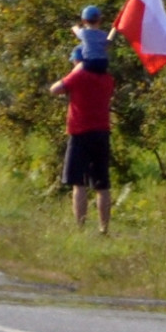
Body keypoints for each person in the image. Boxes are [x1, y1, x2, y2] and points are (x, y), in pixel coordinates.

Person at [50, 45, 115, 233]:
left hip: (80, 133)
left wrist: (76, 70)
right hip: (102, 133)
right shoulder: (107, 79)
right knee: (102, 185)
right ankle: (104, 228)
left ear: (80, 61)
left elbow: (55, 89)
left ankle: (80, 227)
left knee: (79, 184)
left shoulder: (78, 77)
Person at [71, 4, 110, 73]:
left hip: (90, 62)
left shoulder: (84, 33)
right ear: (99, 20)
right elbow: (107, 46)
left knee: (75, 70)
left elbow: (76, 31)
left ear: (84, 21)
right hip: (103, 63)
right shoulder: (104, 34)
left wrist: (74, 27)